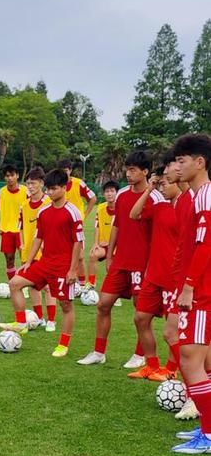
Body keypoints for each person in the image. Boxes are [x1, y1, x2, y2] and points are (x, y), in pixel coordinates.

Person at [77, 151, 158, 367]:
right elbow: (117, 225)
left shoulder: (156, 198)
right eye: (127, 169)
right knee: (103, 304)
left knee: (141, 312)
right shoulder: (121, 194)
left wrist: (152, 264)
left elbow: (159, 234)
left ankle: (140, 355)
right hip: (120, 261)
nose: (128, 174)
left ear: (145, 172)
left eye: (133, 170)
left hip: (143, 264)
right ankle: (98, 352)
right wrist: (111, 254)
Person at [0, 168, 83, 358]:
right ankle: (21, 324)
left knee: (66, 305)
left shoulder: (73, 212)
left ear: (64, 188)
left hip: (63, 267)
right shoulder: (44, 211)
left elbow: (79, 242)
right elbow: (38, 237)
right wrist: (28, 262)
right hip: (44, 263)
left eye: (54, 189)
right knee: (15, 283)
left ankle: (63, 345)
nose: (50, 192)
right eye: (48, 189)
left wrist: (73, 270)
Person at [169, 133, 211, 454]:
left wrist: (188, 286)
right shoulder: (197, 196)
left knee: (191, 358)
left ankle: (209, 435)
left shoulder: (206, 196)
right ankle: (207, 428)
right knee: (195, 358)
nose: (177, 165)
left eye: (182, 160)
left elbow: (206, 244)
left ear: (200, 162)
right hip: (200, 288)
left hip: (203, 291)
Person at [128, 165, 180, 380]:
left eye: (166, 182)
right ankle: (151, 365)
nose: (163, 186)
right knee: (140, 318)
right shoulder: (160, 206)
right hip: (154, 275)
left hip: (174, 277)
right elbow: (134, 214)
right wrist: (150, 190)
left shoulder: (188, 206)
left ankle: (171, 370)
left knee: (173, 328)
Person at [160, 151, 198, 420]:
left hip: (194, 284)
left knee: (181, 339)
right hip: (180, 279)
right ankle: (194, 391)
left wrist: (189, 284)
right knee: (178, 338)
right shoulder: (182, 200)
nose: (169, 170)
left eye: (175, 163)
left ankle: (195, 393)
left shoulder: (199, 197)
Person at [17, 167, 57, 331]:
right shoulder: (24, 205)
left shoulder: (49, 203)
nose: (30, 187)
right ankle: (39, 317)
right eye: (27, 184)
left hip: (47, 253)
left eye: (33, 183)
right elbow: (20, 227)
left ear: (41, 183)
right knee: (32, 286)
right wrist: (21, 244)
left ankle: (52, 320)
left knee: (48, 286)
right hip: (29, 252)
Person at [56, 158, 96, 287]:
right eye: (62, 171)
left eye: (66, 170)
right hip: (60, 226)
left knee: (79, 257)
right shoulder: (55, 185)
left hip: (75, 225)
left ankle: (82, 284)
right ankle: (62, 281)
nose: (64, 173)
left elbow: (93, 198)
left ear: (70, 170)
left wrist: (84, 214)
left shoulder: (79, 184)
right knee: (61, 256)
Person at [0, 164, 28, 283]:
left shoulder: (26, 191)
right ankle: (13, 285)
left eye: (12, 175)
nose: (9, 178)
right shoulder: (1, 192)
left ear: (17, 176)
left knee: (25, 259)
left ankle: (25, 286)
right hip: (6, 231)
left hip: (22, 231)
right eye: (7, 176)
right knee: (9, 259)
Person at [88, 180, 119, 291]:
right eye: (107, 191)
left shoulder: (122, 208)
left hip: (117, 246)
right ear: (103, 194)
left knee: (111, 266)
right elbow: (97, 227)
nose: (109, 194)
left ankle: (114, 291)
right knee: (93, 254)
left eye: (112, 191)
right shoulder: (100, 208)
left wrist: (111, 243)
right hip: (103, 245)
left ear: (117, 193)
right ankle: (91, 285)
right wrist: (95, 244)